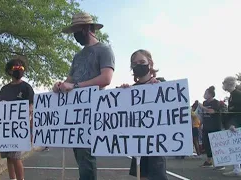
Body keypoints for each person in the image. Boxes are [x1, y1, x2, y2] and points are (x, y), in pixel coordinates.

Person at [53, 12, 115, 180]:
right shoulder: (77, 56)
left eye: (77, 29)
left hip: (93, 110)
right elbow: (70, 79)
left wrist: (76, 86)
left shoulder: (104, 49)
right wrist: (60, 85)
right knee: (81, 156)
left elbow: (106, 78)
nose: (75, 34)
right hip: (75, 113)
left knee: (86, 157)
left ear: (87, 28)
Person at [119, 49, 168, 180]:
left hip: (156, 142)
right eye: (135, 64)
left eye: (142, 62)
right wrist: (123, 94)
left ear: (150, 63)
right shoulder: (131, 89)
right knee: (142, 176)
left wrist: (160, 87)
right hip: (138, 141)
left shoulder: (162, 84)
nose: (138, 65)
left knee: (157, 175)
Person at [0, 56, 35, 180]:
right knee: (8, 156)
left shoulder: (27, 88)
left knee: (15, 157)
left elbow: (32, 106)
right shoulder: (4, 89)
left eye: (21, 67)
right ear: (9, 71)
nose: (19, 69)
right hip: (6, 129)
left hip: (20, 129)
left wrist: (31, 125)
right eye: (16, 67)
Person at [198, 86, 225, 170]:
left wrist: (202, 107)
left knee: (216, 145)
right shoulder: (205, 102)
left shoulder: (215, 102)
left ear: (210, 94)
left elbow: (212, 111)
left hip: (214, 126)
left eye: (206, 93)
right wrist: (200, 124)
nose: (204, 95)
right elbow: (203, 114)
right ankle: (209, 161)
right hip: (206, 126)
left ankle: (221, 163)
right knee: (206, 144)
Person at [222, 76, 241, 177]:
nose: (223, 85)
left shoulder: (237, 95)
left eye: (223, 83)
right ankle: (237, 169)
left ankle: (237, 169)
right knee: (236, 147)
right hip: (234, 124)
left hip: (237, 124)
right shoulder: (232, 96)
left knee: (237, 147)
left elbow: (238, 112)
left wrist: (234, 123)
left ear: (228, 84)